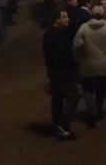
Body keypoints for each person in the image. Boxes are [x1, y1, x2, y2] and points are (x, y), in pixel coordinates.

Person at [73, 5, 106, 128]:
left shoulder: (83, 28)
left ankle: (92, 111)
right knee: (100, 89)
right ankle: (97, 109)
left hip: (87, 63)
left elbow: (76, 46)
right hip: (103, 63)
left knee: (88, 89)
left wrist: (78, 57)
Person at [42, 9, 79, 140]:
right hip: (62, 71)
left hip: (55, 70)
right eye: (64, 17)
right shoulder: (56, 35)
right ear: (57, 20)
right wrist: (74, 63)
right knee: (72, 96)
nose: (68, 19)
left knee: (57, 97)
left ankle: (56, 124)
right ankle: (63, 126)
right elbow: (61, 55)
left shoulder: (51, 33)